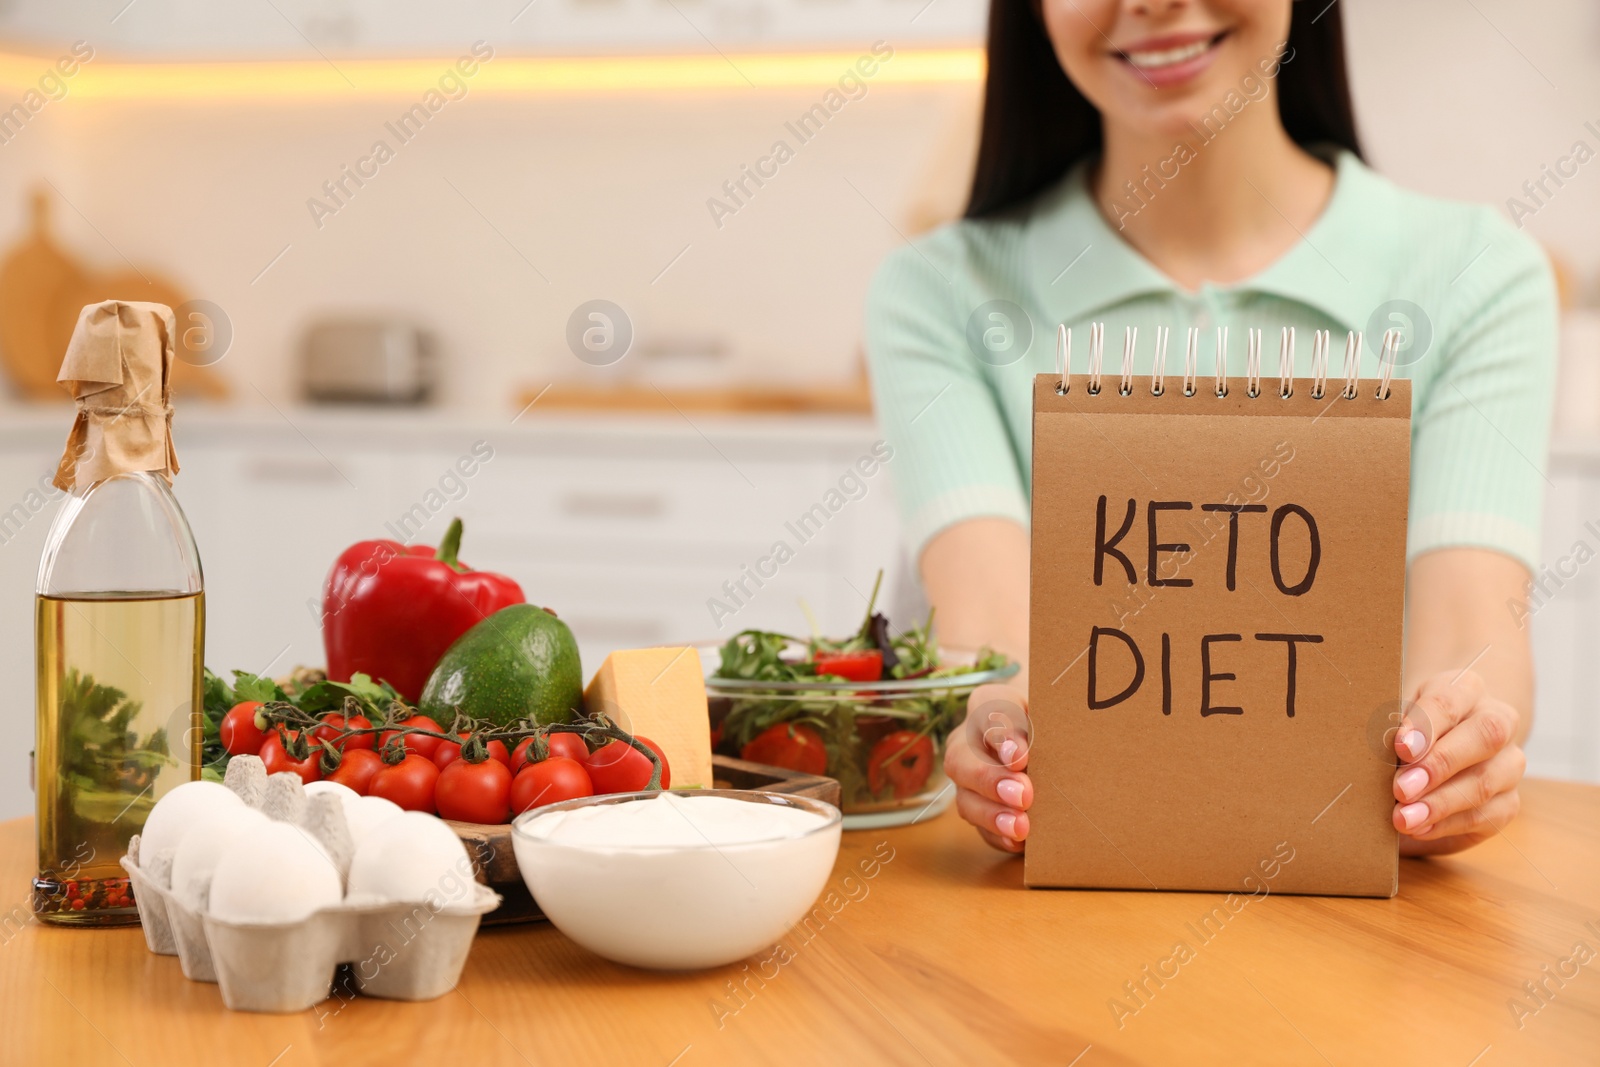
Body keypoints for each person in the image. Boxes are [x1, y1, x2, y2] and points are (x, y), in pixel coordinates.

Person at [864, 0, 1554, 858]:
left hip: (1367, 918)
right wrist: (1002, 733)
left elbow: (1472, 634)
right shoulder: (941, 293)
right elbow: (999, 636)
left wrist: (1452, 751)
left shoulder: (1475, 277)